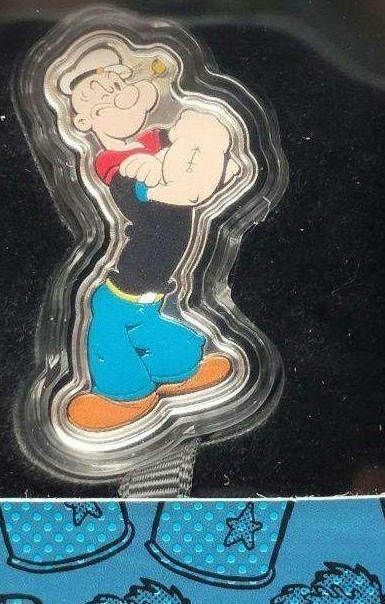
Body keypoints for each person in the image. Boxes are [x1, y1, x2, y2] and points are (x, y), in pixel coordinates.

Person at [52, 39, 243, 432]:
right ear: (84, 123)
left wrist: (214, 157)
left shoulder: (156, 138)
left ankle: (127, 391)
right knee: (124, 312)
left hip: (159, 261)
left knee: (114, 314)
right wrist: (150, 178)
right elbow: (136, 196)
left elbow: (196, 152)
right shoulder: (112, 162)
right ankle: (175, 367)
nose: (120, 103)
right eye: (105, 104)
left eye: (120, 92)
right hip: (146, 260)